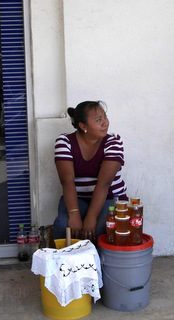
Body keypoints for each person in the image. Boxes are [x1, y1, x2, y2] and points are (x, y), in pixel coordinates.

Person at [53, 101, 127, 243]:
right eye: (99, 120)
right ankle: (66, 264)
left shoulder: (114, 142)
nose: (105, 123)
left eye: (105, 117)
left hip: (110, 197)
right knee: (64, 225)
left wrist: (91, 218)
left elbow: (104, 184)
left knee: (100, 229)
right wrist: (74, 214)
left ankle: (100, 264)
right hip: (78, 198)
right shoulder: (65, 142)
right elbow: (67, 181)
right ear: (83, 126)